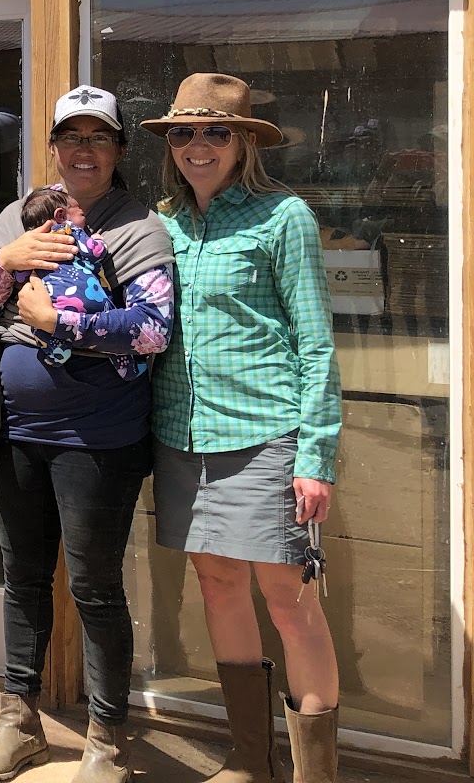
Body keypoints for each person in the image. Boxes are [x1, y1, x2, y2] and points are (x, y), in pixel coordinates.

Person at [0, 86, 175, 783]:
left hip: (99, 442)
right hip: (19, 429)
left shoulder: (138, 227)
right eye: (70, 138)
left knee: (93, 587)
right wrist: (7, 260)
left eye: (98, 138)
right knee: (22, 578)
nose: (83, 150)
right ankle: (18, 720)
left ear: (117, 151)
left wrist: (61, 326)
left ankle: (107, 739)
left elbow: (151, 330)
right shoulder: (20, 217)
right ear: (52, 148)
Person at [141, 74, 341, 783]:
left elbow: (315, 342)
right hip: (180, 434)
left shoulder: (281, 216)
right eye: (184, 133)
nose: (198, 145)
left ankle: (316, 774)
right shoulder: (160, 222)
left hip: (264, 432)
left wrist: (315, 456)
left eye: (215, 132)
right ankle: (251, 761)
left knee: (289, 599)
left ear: (243, 142)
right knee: (218, 584)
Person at [13, 186, 133, 374]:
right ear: (61, 215)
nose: (83, 212)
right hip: (89, 299)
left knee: (41, 328)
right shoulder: (69, 230)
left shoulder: (29, 245)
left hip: (54, 304)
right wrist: (99, 241)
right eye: (78, 209)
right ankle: (125, 363)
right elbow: (94, 253)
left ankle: (56, 351)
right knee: (108, 335)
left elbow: (19, 275)